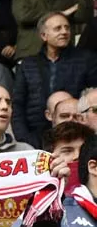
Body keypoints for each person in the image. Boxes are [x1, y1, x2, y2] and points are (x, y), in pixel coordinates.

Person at [12, 12, 97, 143]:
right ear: (44, 35)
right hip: (35, 137)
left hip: (77, 134)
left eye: (67, 28)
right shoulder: (28, 64)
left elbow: (92, 99)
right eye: (58, 28)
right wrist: (24, 138)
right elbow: (18, 103)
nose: (64, 32)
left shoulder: (86, 60)